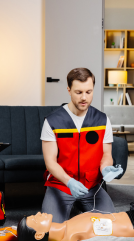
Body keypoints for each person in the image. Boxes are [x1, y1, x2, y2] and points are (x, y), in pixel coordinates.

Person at [41, 68, 119, 223]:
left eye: (89, 92)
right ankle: (75, 209)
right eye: (78, 92)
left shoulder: (103, 120)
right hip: (61, 185)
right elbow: (50, 162)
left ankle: (78, 209)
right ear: (69, 90)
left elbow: (106, 154)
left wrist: (106, 168)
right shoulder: (52, 121)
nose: (84, 98)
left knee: (109, 226)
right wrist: (69, 181)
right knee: (51, 230)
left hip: (91, 187)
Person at [17, 203, 134, 241]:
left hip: (130, 217)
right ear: (39, 235)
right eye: (35, 219)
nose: (39, 213)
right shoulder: (71, 237)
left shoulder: (69, 225)